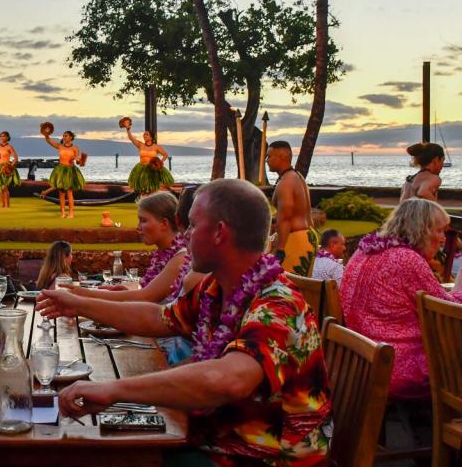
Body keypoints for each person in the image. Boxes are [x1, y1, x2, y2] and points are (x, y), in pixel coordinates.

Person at [38, 179, 332, 465]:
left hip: (263, 455)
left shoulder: (276, 304)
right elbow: (158, 316)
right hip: (218, 437)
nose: (186, 233)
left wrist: (114, 389)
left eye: (192, 224)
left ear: (219, 232)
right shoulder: (215, 288)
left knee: (93, 452)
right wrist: (78, 305)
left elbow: (230, 379)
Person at [341, 198, 462, 400]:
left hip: (358, 359)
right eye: (439, 231)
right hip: (394, 364)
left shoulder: (364, 251)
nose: (443, 239)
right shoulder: (406, 259)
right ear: (422, 229)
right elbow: (449, 315)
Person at [64, 192, 203, 305]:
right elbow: (151, 296)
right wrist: (125, 292)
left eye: (143, 220)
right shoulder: (164, 255)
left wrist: (82, 293)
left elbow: (146, 297)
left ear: (164, 224)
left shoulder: (180, 258)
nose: (138, 227)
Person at [266, 141, 316, 276]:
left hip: (294, 240)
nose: (266, 160)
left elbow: (285, 218)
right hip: (308, 236)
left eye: (269, 156)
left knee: (287, 291)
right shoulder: (297, 176)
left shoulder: (286, 182)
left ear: (283, 156)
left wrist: (280, 249)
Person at [41, 128, 85, 219]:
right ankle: (63, 213)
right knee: (61, 193)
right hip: (61, 169)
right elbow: (49, 141)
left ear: (71, 137)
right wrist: (46, 134)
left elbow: (78, 160)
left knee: (69, 192)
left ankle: (71, 213)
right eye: (63, 136)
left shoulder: (75, 148)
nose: (64, 137)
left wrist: (79, 160)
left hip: (70, 170)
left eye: (66, 136)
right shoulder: (60, 146)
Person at [123, 120, 174, 194]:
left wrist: (160, 162)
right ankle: (143, 201)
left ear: (151, 137)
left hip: (152, 169)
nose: (144, 136)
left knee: (152, 188)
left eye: (146, 134)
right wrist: (128, 129)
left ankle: (152, 201)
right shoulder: (140, 145)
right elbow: (131, 138)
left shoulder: (156, 147)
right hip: (141, 168)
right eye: (144, 134)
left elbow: (165, 154)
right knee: (142, 188)